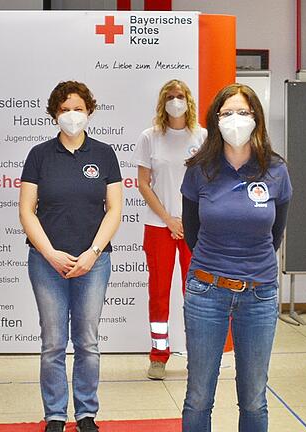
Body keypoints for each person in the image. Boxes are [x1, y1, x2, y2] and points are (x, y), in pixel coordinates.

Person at [180, 83, 291, 432]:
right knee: (198, 395)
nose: (235, 120)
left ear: (256, 118)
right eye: (227, 113)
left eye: (243, 112)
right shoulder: (199, 169)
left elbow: (276, 232)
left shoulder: (276, 170)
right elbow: (192, 231)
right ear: (215, 120)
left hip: (259, 295)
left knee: (254, 397)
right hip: (206, 292)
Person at [19, 80, 122, 432]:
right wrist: (49, 253)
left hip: (94, 262)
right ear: (54, 114)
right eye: (64, 110)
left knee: (88, 340)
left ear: (89, 111)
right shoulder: (39, 155)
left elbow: (114, 210)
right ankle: (55, 415)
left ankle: (86, 412)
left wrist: (93, 253)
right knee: (52, 342)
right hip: (47, 263)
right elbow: (27, 211)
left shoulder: (105, 154)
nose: (72, 115)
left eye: (78, 108)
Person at [131, 79, 206, 380]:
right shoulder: (150, 137)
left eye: (181, 96)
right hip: (158, 226)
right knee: (159, 292)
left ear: (189, 101)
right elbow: (143, 183)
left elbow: (207, 184)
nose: (176, 101)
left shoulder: (201, 136)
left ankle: (197, 355)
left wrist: (187, 221)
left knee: (197, 294)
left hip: (194, 228)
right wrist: (168, 219)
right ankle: (158, 355)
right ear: (163, 102)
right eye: (170, 97)